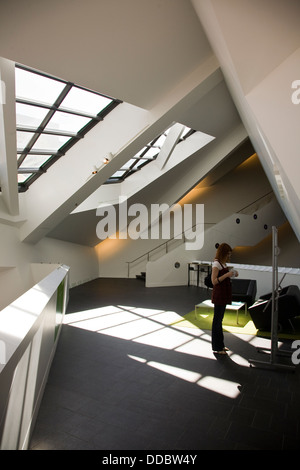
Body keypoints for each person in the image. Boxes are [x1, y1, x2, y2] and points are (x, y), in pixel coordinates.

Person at [211, 243, 238, 355]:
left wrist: (231, 274)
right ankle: (217, 347)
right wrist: (227, 275)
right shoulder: (216, 264)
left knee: (219, 320)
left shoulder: (223, 263)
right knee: (217, 321)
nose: (228, 256)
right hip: (219, 295)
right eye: (227, 253)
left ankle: (220, 345)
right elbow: (214, 281)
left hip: (224, 293)